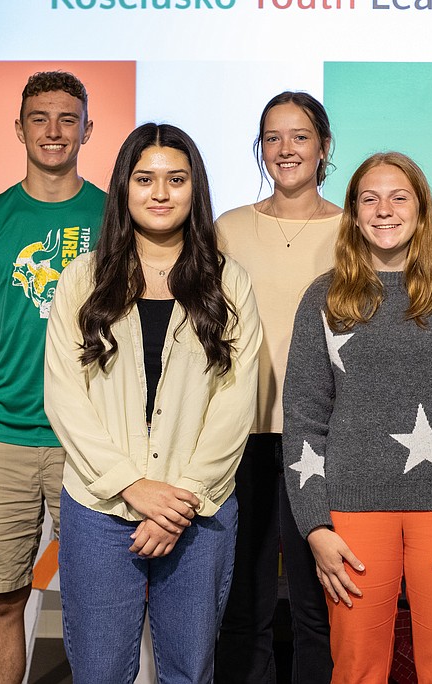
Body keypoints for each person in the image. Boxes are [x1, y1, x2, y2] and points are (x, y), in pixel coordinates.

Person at [283, 152, 432, 683]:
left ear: (421, 207)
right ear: (353, 212)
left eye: (398, 197)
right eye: (369, 198)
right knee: (357, 671)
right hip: (351, 513)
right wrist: (315, 526)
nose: (384, 210)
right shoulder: (322, 299)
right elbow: (303, 421)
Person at [43, 123, 261, 682]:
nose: (160, 193)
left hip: (200, 509)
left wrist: (182, 498)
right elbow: (65, 397)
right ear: (123, 189)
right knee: (99, 671)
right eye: (145, 179)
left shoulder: (228, 282)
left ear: (196, 189)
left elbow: (236, 402)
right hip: (100, 507)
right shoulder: (81, 280)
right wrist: (131, 485)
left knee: (189, 670)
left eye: (176, 179)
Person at [0, 71, 103, 684]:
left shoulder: (116, 218)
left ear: (88, 127)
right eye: (40, 118)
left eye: (67, 118)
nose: (54, 131)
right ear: (19, 129)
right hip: (0, 439)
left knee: (103, 605)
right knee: (4, 601)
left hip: (88, 442)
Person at [215, 91, 341, 683]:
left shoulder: (356, 227)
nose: (285, 149)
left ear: (323, 147)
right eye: (273, 137)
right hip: (243, 438)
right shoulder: (229, 229)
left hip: (326, 438)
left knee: (320, 605)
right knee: (245, 601)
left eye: (299, 136)